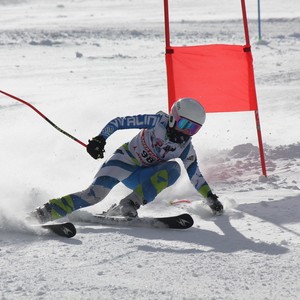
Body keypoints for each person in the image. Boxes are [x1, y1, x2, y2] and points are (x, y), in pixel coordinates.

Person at [30, 97, 223, 223]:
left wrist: (210, 198)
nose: (186, 132)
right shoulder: (157, 122)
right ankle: (46, 212)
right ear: (173, 117)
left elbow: (195, 175)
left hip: (143, 177)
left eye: (193, 129)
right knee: (93, 195)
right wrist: (100, 139)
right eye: (184, 124)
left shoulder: (186, 147)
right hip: (124, 162)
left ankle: (128, 205)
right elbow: (119, 122)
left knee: (174, 169)